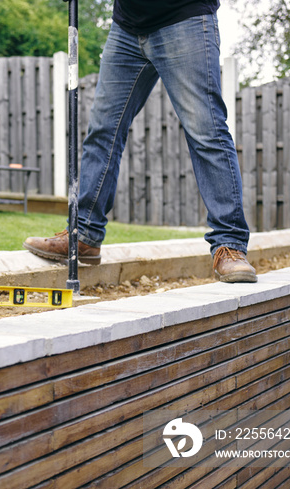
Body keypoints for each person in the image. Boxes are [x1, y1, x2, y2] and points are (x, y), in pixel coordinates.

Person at [24, 0, 257, 283]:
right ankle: (84, 235)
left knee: (206, 132)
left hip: (184, 18)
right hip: (126, 26)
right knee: (102, 131)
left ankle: (229, 246)